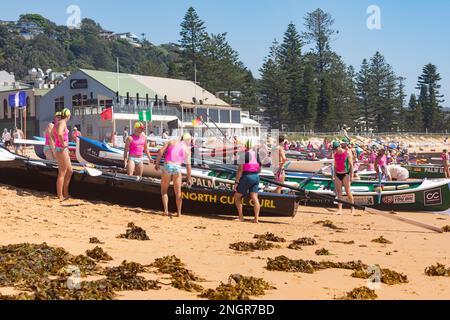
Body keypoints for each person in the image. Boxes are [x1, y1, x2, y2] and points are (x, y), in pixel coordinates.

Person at [155, 133, 192, 217]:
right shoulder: (187, 149)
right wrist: (189, 178)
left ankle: (166, 211)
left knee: (164, 190)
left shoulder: (171, 142)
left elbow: (161, 151)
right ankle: (179, 212)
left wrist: (157, 163)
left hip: (168, 165)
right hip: (177, 167)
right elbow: (188, 166)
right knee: (178, 192)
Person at [234, 141, 261, 223]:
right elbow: (259, 168)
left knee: (237, 196)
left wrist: (236, 182)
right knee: (254, 197)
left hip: (247, 176)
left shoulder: (243, 155)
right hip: (256, 176)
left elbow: (240, 170)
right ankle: (256, 219)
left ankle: (241, 217)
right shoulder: (256, 155)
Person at [52, 108, 73, 201]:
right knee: (62, 172)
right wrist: (63, 144)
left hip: (60, 148)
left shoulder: (57, 123)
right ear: (68, 115)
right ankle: (60, 195)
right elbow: (60, 134)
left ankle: (65, 193)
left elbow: (52, 134)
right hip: (61, 149)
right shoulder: (62, 123)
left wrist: (58, 142)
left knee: (70, 171)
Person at [332, 140, 355, 215]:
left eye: (336, 148)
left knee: (348, 192)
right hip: (338, 174)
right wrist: (334, 175)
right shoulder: (335, 154)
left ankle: (352, 208)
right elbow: (335, 165)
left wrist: (352, 176)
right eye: (334, 149)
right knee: (339, 193)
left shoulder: (347, 153)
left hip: (346, 174)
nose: (335, 150)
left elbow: (351, 165)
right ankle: (340, 209)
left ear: (339, 146)